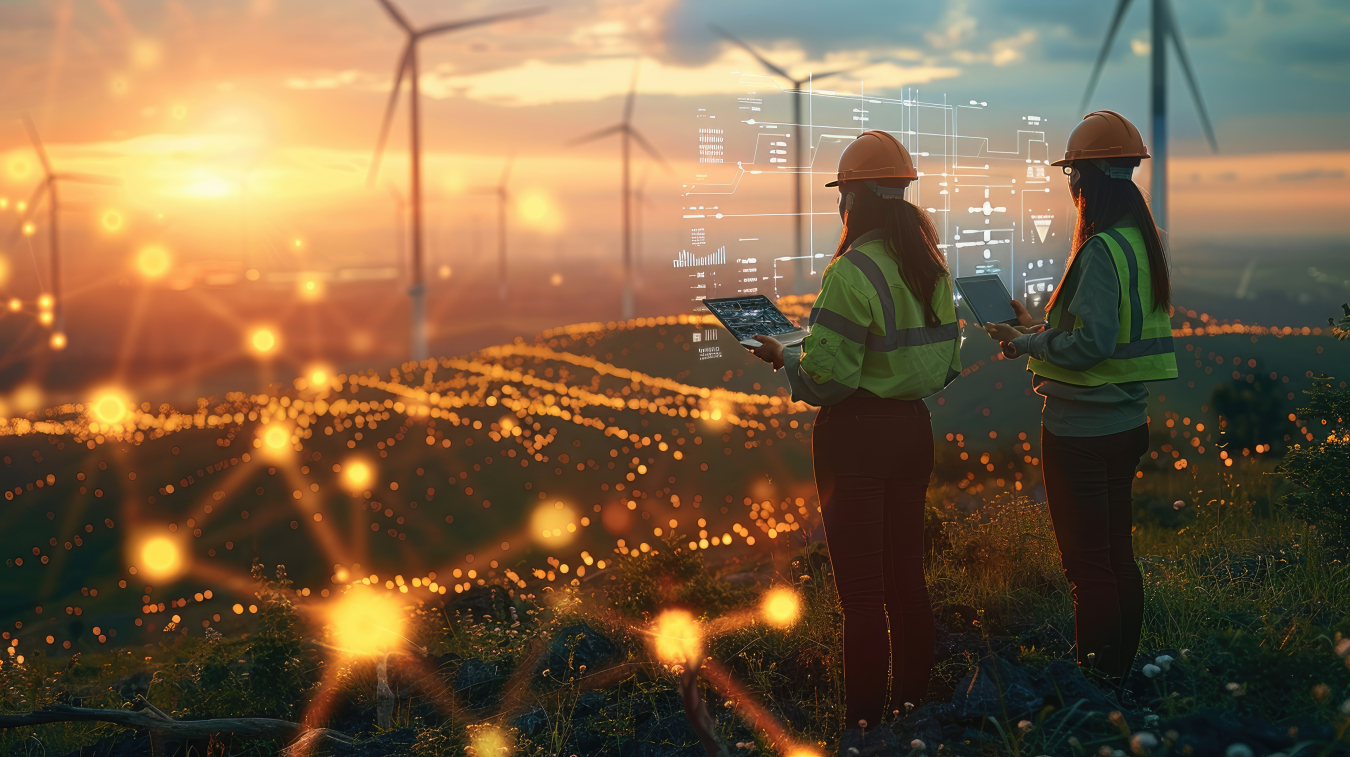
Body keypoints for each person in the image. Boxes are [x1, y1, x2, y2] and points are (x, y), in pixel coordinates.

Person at [745, 130, 961, 738]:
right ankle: (915, 713)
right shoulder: (931, 268)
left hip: (856, 441)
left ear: (857, 197)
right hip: (913, 432)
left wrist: (786, 357)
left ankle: (863, 728)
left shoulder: (851, 270)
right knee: (906, 584)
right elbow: (946, 364)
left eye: (842, 193)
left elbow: (831, 378)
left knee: (862, 596)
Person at [985, 110, 1177, 687]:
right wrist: (1035, 324)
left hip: (1082, 433)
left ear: (1088, 179)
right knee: (1118, 559)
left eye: (1073, 175)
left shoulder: (1098, 251)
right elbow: (1104, 328)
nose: (1070, 186)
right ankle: (1118, 675)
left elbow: (1090, 343)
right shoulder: (1140, 244)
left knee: (1088, 567)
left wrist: (1024, 345)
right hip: (1126, 422)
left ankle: (1094, 687)